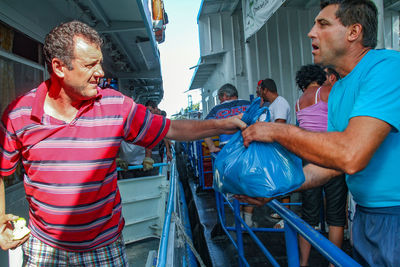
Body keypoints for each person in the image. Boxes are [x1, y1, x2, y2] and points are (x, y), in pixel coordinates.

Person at [0, 21, 246, 265]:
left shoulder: (116, 106)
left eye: (100, 62)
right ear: (59, 67)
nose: (101, 73)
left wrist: (223, 125)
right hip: (45, 248)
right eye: (90, 65)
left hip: (104, 246)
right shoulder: (18, 115)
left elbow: (171, 128)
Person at [238, 1, 400, 265]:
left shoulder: (387, 68)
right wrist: (276, 186)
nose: (311, 32)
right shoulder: (337, 91)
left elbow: (350, 154)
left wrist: (279, 132)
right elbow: (332, 165)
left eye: (323, 24)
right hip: (367, 216)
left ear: (353, 32)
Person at [295, 64, 347, 267]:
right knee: (335, 215)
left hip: (308, 158)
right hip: (329, 155)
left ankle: (303, 263)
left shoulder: (299, 102)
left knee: (309, 215)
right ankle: (334, 264)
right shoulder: (326, 91)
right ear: (320, 77)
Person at [204, 84, 255, 226]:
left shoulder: (217, 109)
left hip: (227, 151)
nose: (220, 100)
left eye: (220, 98)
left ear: (224, 96)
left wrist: (212, 146)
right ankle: (249, 221)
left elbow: (206, 128)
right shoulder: (247, 104)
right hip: (247, 147)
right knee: (248, 183)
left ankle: (238, 222)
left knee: (234, 185)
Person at [258, 78, 291, 227]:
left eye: (260, 91)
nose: (259, 94)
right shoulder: (272, 105)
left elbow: (279, 125)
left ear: (265, 90)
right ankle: (281, 212)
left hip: (280, 150)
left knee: (284, 184)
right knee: (278, 182)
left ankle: (286, 219)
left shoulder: (280, 103)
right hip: (274, 150)